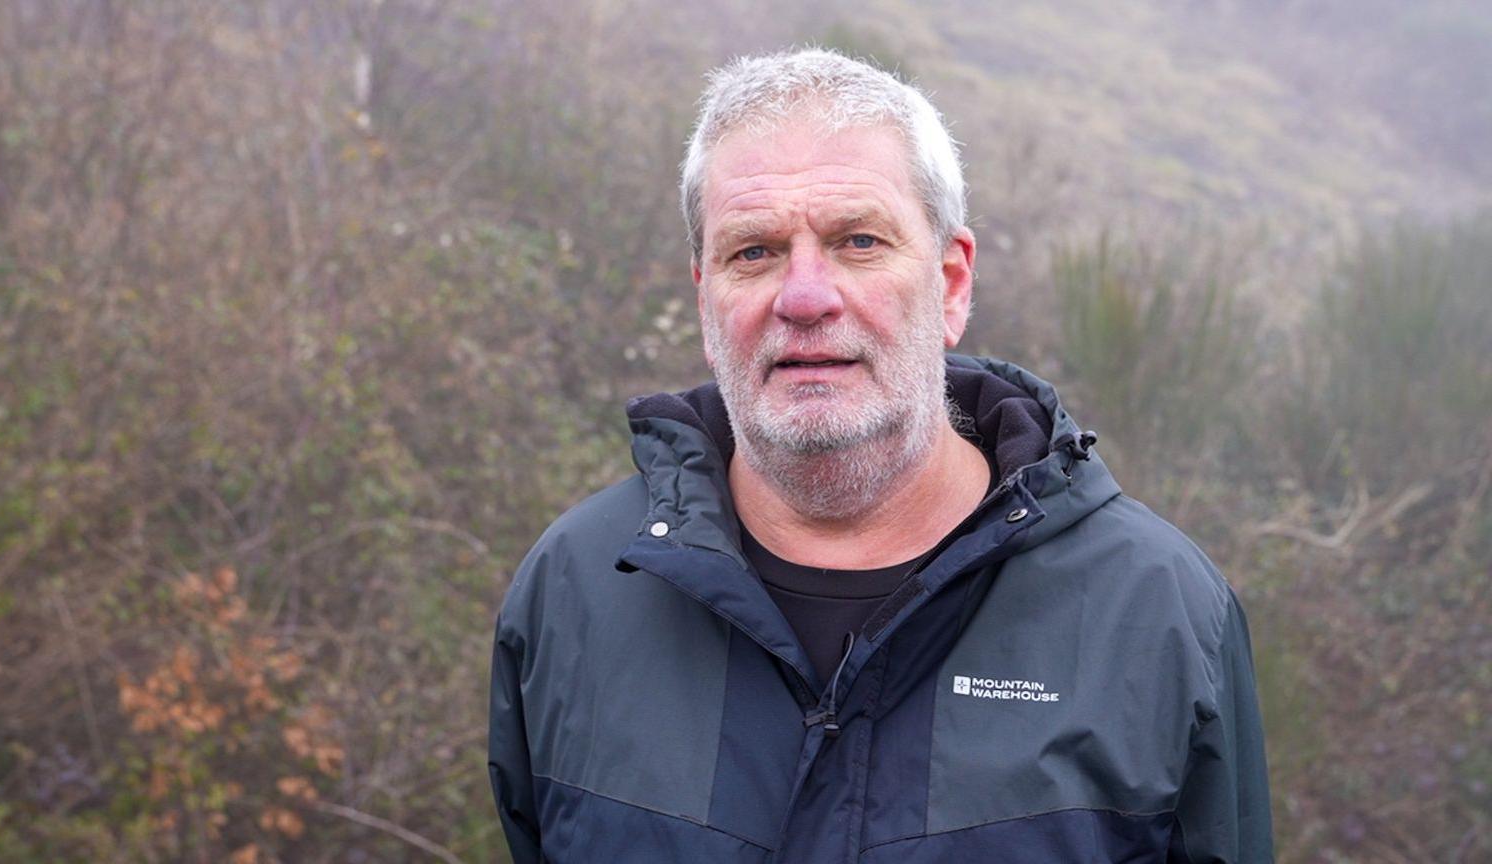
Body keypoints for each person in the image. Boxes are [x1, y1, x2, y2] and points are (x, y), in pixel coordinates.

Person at [489, 48, 1272, 863]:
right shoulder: (575, 593)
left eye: (858, 241)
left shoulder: (1157, 616)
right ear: (703, 297)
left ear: (952, 283)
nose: (803, 297)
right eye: (752, 251)